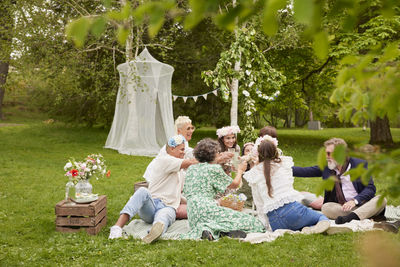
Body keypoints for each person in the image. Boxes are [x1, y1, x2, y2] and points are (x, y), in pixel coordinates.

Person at [109, 135, 197, 243]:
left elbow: (177, 194)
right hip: (152, 205)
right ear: (172, 149)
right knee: (142, 191)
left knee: (163, 217)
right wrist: (209, 158)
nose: (184, 153)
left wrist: (191, 203)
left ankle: (152, 233)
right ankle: (117, 228)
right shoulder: (164, 160)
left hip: (168, 207)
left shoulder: (181, 173)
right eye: (182, 149)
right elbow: (190, 163)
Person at [181, 138, 265, 240]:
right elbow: (234, 184)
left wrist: (221, 159)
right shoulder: (214, 168)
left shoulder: (192, 168)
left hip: (192, 214)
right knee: (254, 222)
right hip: (207, 209)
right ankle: (214, 229)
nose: (219, 154)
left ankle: (211, 231)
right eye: (218, 152)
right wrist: (240, 170)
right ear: (213, 154)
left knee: (220, 219)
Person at [243, 135, 331, 233]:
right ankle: (310, 227)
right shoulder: (284, 164)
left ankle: (306, 227)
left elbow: (259, 204)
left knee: (300, 221)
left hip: (275, 222)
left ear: (258, 154)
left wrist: (266, 226)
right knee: (321, 217)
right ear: (275, 151)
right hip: (294, 211)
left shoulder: (254, 174)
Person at [292, 137, 387, 224]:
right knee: (326, 208)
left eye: (329, 153)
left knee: (381, 200)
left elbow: (370, 188)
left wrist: (355, 201)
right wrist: (282, 165)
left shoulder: (358, 165)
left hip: (363, 203)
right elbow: (304, 171)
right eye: (326, 153)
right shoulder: (327, 167)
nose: (326, 156)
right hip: (345, 208)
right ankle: (363, 216)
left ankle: (352, 218)